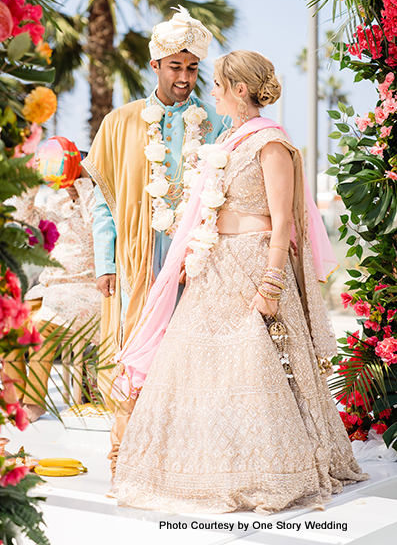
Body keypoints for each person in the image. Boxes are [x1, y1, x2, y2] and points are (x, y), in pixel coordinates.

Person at [110, 50, 369, 514]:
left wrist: (271, 282)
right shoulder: (229, 139)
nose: (209, 91)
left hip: (253, 264)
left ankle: (271, 468)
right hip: (214, 265)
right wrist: (194, 254)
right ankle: (198, 466)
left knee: (256, 365)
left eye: (216, 84)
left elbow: (284, 219)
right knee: (195, 366)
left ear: (240, 90)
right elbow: (208, 208)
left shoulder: (270, 143)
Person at [82, 6, 228, 474]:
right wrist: (106, 261)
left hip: (195, 261)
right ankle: (123, 458)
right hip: (137, 260)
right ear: (155, 66)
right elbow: (101, 199)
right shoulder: (121, 122)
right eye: (175, 66)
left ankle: (182, 459)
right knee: (136, 352)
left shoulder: (214, 124)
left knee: (191, 354)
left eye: (192, 68)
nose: (184, 77)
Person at [3, 153, 101, 422]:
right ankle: (12, 402)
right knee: (9, 329)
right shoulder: (55, 202)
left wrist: (83, 182)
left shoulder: (97, 203)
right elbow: (24, 217)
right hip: (49, 290)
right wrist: (33, 180)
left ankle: (35, 402)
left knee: (39, 332)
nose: (66, 183)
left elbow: (98, 224)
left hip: (85, 289)